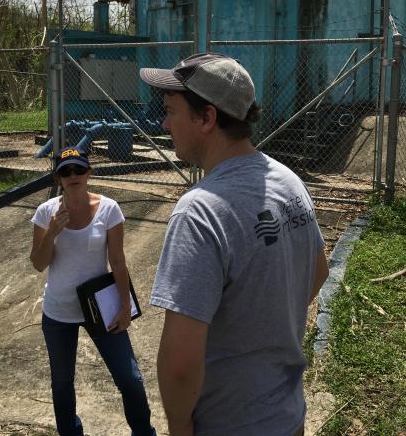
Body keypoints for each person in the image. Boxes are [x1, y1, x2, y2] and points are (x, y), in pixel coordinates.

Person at [139, 53, 329, 436]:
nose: (164, 123)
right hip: (288, 416)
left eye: (171, 111)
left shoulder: (200, 212)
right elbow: (320, 271)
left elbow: (179, 365)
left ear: (207, 118)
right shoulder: (289, 182)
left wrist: (179, 427)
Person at [30, 146, 156, 436]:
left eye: (78, 169)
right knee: (62, 383)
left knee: (129, 378)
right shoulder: (46, 212)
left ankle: (143, 431)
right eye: (65, 171)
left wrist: (125, 307)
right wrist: (52, 232)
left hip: (101, 308)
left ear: (89, 172)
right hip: (59, 311)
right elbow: (38, 264)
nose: (73, 175)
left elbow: (118, 261)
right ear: (58, 177)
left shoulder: (109, 209)